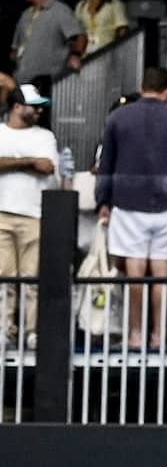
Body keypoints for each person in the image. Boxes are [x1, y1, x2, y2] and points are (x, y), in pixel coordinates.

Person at [95, 67, 167, 351]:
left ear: (142, 86)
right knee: (161, 273)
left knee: (134, 273)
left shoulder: (118, 117)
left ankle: (134, 335)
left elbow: (106, 164)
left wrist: (103, 201)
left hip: (128, 202)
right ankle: (158, 334)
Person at [0, 84, 58, 351]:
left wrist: (12, 162)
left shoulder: (45, 136)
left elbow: (48, 166)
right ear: (16, 106)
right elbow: (38, 164)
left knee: (32, 277)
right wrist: (28, 162)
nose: (38, 110)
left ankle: (33, 330)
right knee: (4, 277)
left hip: (34, 213)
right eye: (33, 106)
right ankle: (5, 328)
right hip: (2, 212)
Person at [10, 0, 85, 88]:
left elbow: (79, 36)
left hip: (47, 83)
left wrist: (75, 55)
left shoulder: (59, 10)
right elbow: (15, 46)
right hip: (22, 79)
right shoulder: (26, 14)